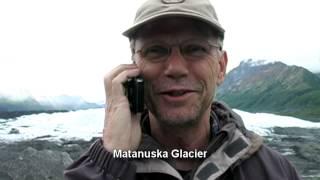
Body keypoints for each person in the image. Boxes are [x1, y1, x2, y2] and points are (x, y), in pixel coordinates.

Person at [64, 0, 301, 179]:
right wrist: (112, 160)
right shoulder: (102, 167)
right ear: (133, 68)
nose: (175, 68)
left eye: (195, 49)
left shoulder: (276, 172)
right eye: (155, 50)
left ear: (221, 67)